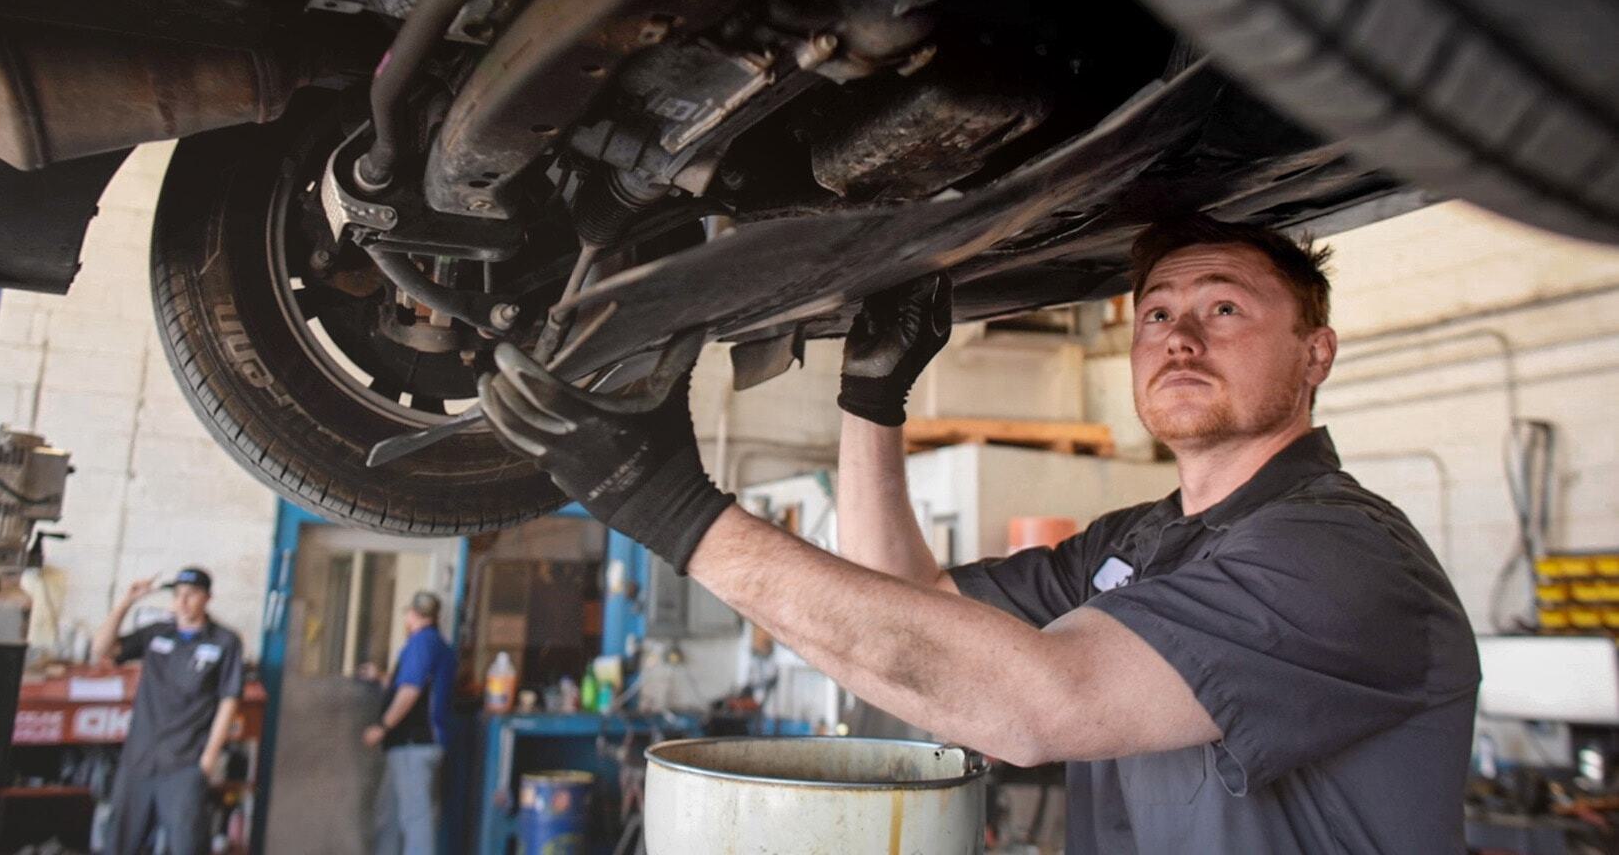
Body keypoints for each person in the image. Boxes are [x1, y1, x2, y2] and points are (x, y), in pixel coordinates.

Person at [478, 214, 1481, 853]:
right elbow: (919, 624)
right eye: (1157, 310)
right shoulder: (1139, 539)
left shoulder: (1340, 554)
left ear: (1315, 354)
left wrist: (673, 513)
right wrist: (870, 399)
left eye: (1224, 308)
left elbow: (1032, 705)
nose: (1178, 335)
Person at [91, 566, 243, 855]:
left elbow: (229, 699)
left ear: (207, 598)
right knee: (119, 843)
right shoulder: (157, 633)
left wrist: (209, 757)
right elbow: (102, 649)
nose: (183, 601)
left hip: (185, 762)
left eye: (191, 594)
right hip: (139, 759)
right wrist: (127, 601)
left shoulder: (224, 641)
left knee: (187, 844)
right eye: (178, 595)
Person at [363, 590, 456, 855]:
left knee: (417, 823)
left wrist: (382, 727)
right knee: (389, 817)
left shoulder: (420, 643)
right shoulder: (438, 643)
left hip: (412, 745)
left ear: (412, 615)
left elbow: (410, 692)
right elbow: (416, 686)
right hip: (410, 746)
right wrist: (381, 677)